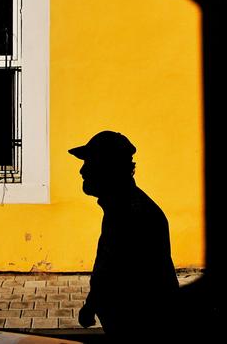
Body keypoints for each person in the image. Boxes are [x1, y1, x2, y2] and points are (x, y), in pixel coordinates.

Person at [69, 130, 179, 339]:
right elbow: (107, 265)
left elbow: (134, 286)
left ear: (109, 168)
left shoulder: (132, 215)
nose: (82, 170)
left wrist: (94, 304)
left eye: (90, 163)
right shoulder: (121, 208)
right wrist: (92, 304)